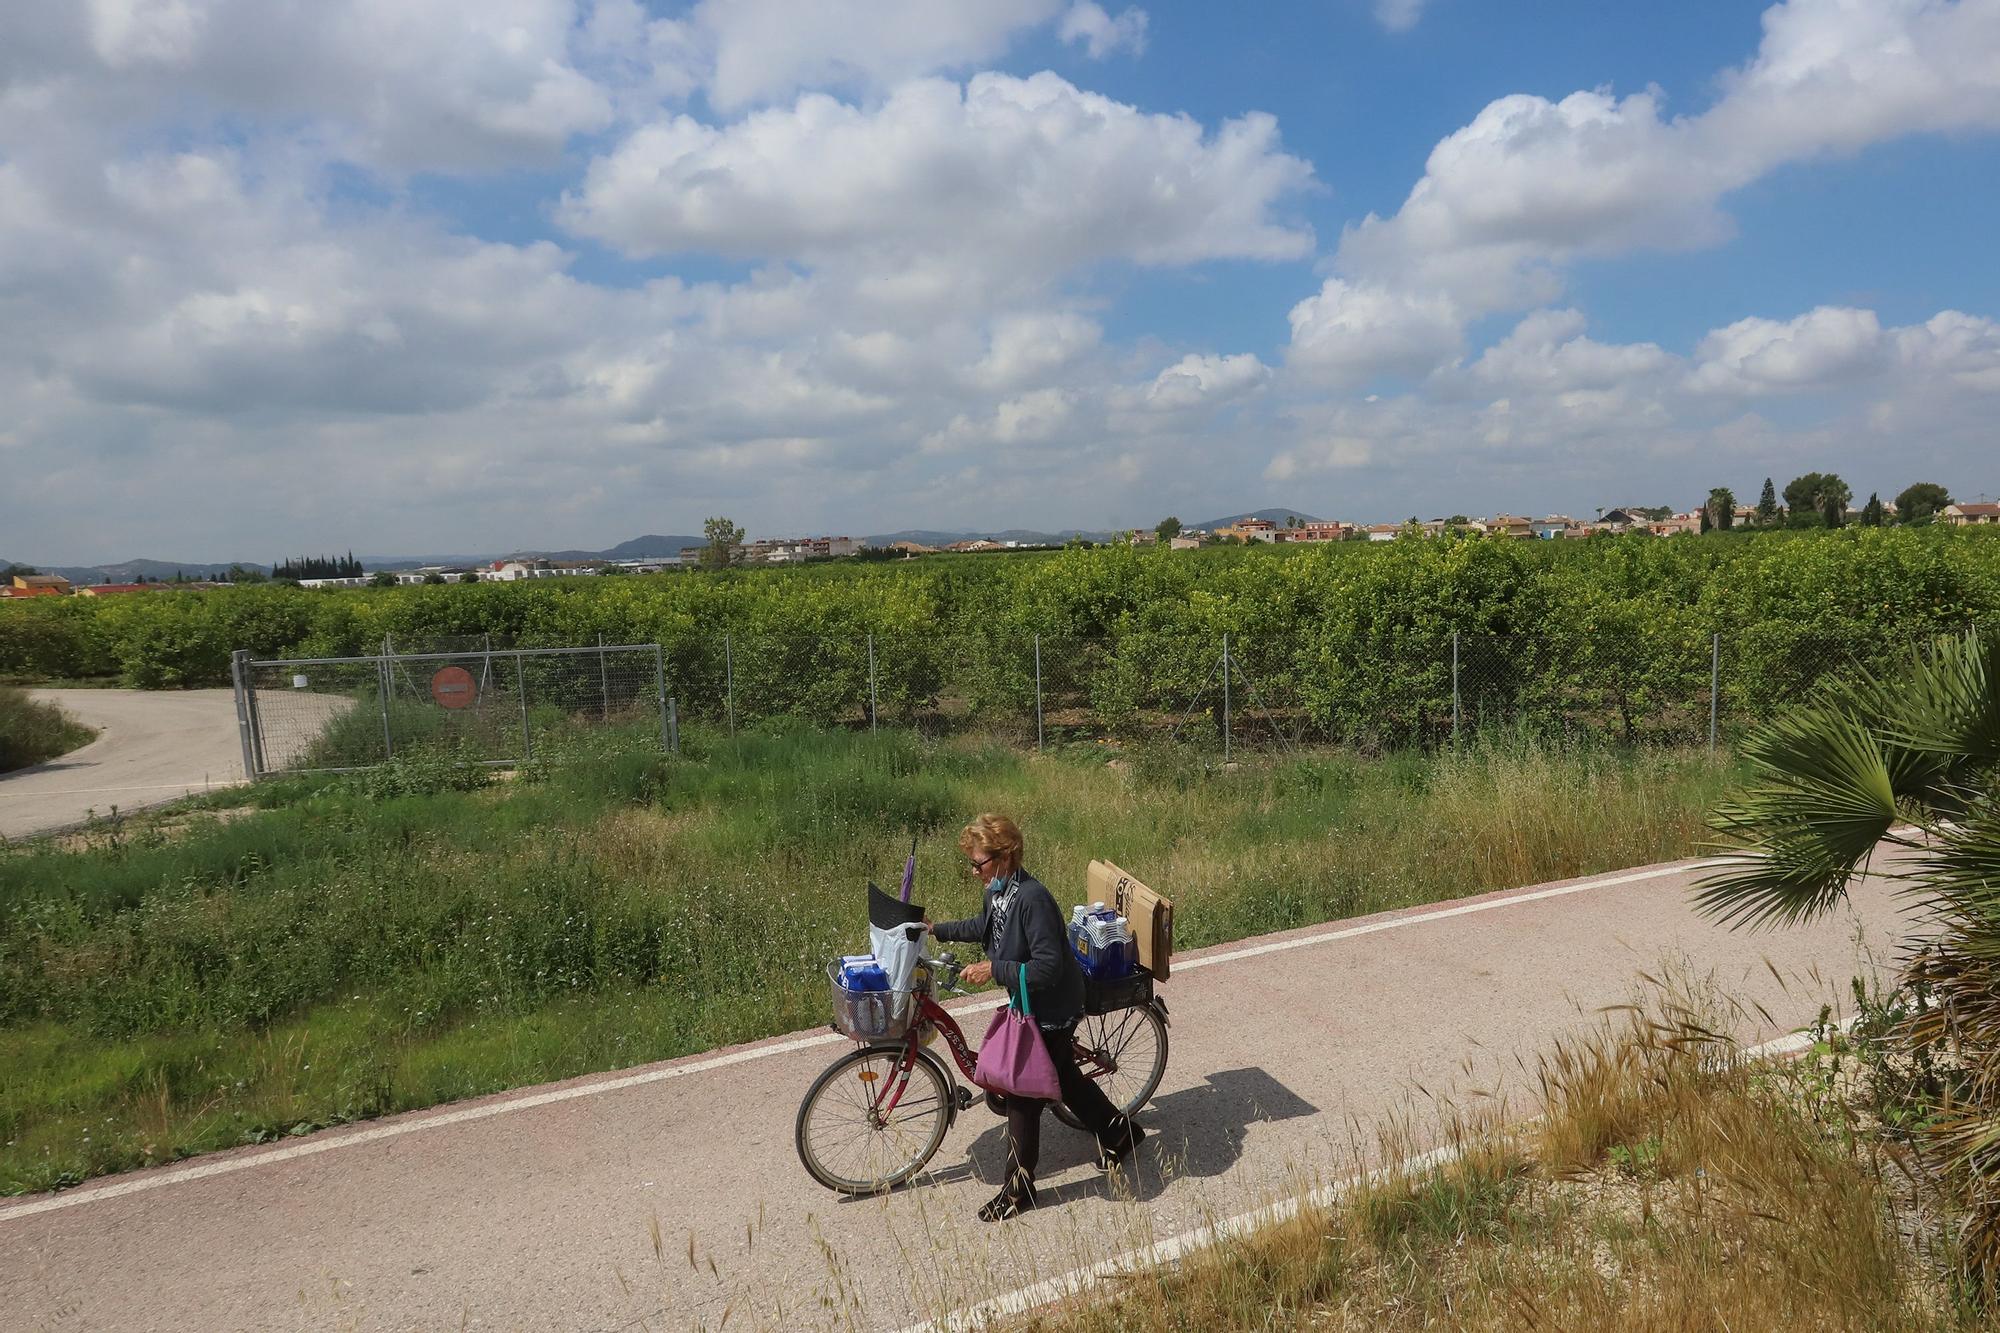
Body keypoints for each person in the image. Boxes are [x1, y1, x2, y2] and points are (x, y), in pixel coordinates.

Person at [927, 813, 1146, 1221]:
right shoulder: (1000, 891)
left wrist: (994, 970)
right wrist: (936, 929)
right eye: (972, 863)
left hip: (1052, 1006)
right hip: (1029, 1001)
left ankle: (1018, 1190)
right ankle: (1121, 1132)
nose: (974, 871)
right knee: (1065, 1079)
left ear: (1005, 857)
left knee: (1023, 1098)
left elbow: (1047, 968)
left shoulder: (1033, 899)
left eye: (979, 863)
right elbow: (984, 926)